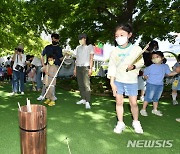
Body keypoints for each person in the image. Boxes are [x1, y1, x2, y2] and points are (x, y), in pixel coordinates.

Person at [107, 23, 144, 134]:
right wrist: (112, 82)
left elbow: (141, 62)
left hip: (131, 81)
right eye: (116, 35)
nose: (119, 38)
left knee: (133, 103)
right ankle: (120, 122)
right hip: (118, 80)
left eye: (122, 34)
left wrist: (133, 66)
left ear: (129, 35)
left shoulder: (136, 49)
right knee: (119, 102)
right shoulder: (114, 51)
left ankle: (136, 122)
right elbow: (112, 67)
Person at [140, 51, 180, 117]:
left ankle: (155, 110)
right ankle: (143, 109)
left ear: (162, 58)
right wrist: (145, 77)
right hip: (151, 84)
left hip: (160, 85)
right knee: (148, 98)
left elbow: (169, 74)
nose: (155, 58)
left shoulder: (165, 66)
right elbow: (144, 74)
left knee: (156, 98)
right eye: (153, 57)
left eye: (157, 57)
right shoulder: (150, 67)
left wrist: (176, 72)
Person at [37, 33, 63, 100]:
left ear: (57, 40)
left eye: (54, 39)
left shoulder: (59, 49)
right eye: (52, 38)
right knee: (45, 81)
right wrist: (43, 65)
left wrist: (66, 57)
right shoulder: (47, 47)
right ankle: (42, 95)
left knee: (52, 82)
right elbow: (42, 55)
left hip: (56, 66)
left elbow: (61, 59)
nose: (53, 40)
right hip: (47, 66)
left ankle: (52, 95)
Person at [74, 33, 94, 109]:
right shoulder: (78, 48)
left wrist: (90, 68)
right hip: (78, 66)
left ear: (84, 39)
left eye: (81, 39)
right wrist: (75, 69)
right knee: (80, 84)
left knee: (86, 85)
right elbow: (77, 59)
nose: (80, 41)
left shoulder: (90, 47)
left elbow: (91, 58)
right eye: (79, 39)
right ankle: (83, 99)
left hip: (86, 67)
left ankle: (87, 101)